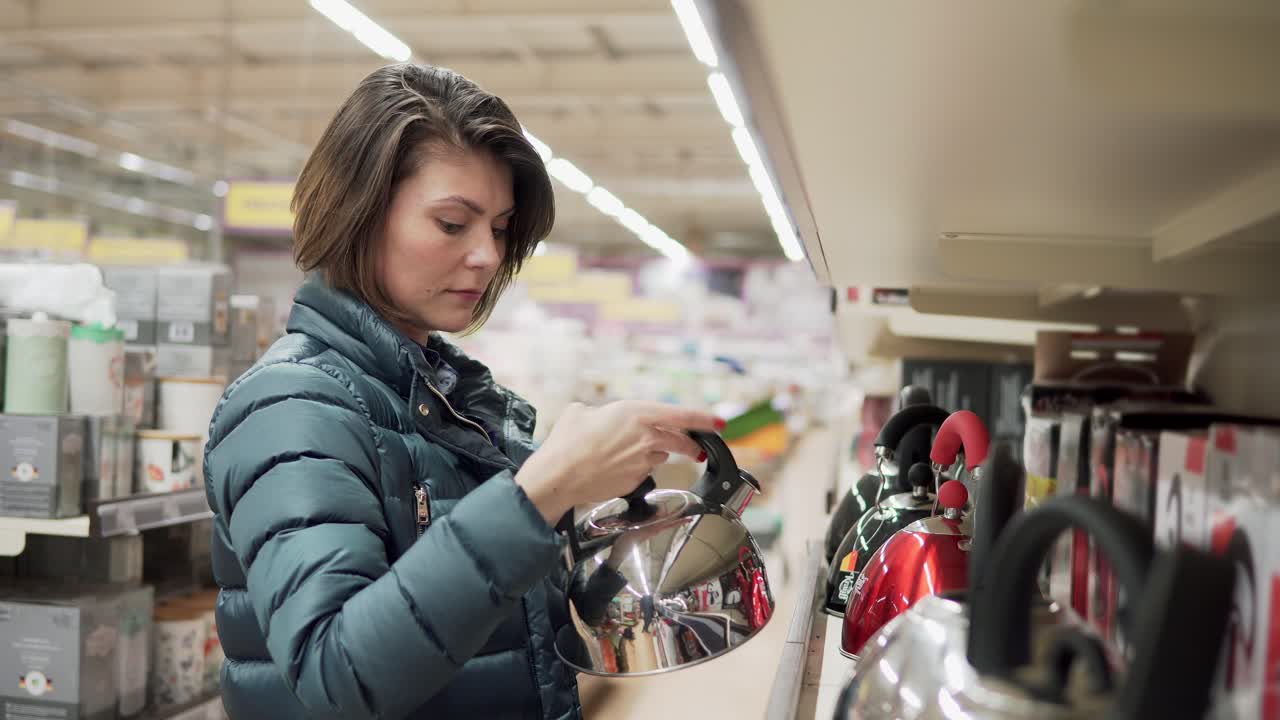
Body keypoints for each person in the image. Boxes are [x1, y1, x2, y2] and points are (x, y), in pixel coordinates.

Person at [204, 63, 723, 720]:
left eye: (501, 229)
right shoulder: (292, 406)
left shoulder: (446, 401)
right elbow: (336, 674)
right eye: (454, 223)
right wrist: (539, 493)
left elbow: (486, 629)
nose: (486, 255)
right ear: (357, 214)